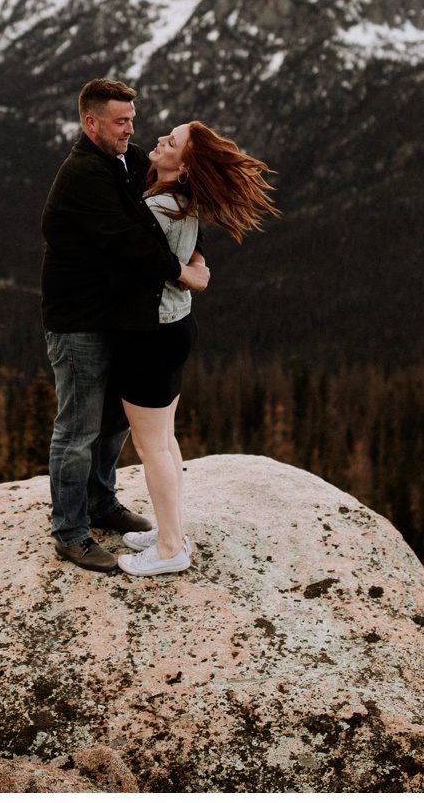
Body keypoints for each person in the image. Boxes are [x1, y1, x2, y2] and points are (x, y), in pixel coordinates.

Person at [40, 78, 210, 572]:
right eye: (120, 121)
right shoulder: (84, 175)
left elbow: (169, 215)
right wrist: (185, 274)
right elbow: (131, 242)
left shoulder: (127, 158)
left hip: (118, 318)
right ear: (91, 122)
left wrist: (196, 255)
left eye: (132, 119)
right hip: (78, 322)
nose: (131, 129)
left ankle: (102, 503)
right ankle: (70, 531)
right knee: (77, 428)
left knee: (114, 422)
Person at [115, 120, 277, 578]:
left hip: (149, 335)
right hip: (175, 328)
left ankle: (169, 548)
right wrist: (194, 270)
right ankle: (172, 529)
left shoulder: (159, 207)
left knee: (152, 449)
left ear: (184, 166)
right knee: (165, 439)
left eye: (172, 142)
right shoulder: (183, 202)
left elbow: (136, 260)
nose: (160, 140)